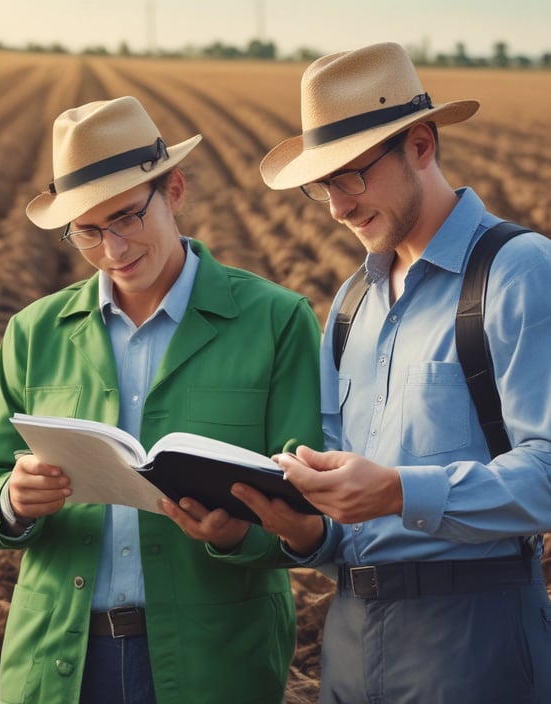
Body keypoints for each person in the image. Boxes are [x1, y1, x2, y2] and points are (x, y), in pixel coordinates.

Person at [0, 95, 324, 704]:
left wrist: (236, 535)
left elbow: (310, 506)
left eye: (127, 218)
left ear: (174, 189)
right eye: (88, 232)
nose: (113, 250)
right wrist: (13, 501)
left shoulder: (277, 321)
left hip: (217, 660)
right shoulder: (33, 331)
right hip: (59, 659)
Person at [230, 42, 551, 703]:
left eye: (350, 177)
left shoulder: (519, 273)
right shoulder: (351, 304)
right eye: (323, 185)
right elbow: (350, 515)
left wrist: (403, 491)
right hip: (349, 642)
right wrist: (302, 524)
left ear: (421, 145)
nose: (335, 208)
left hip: (474, 641)